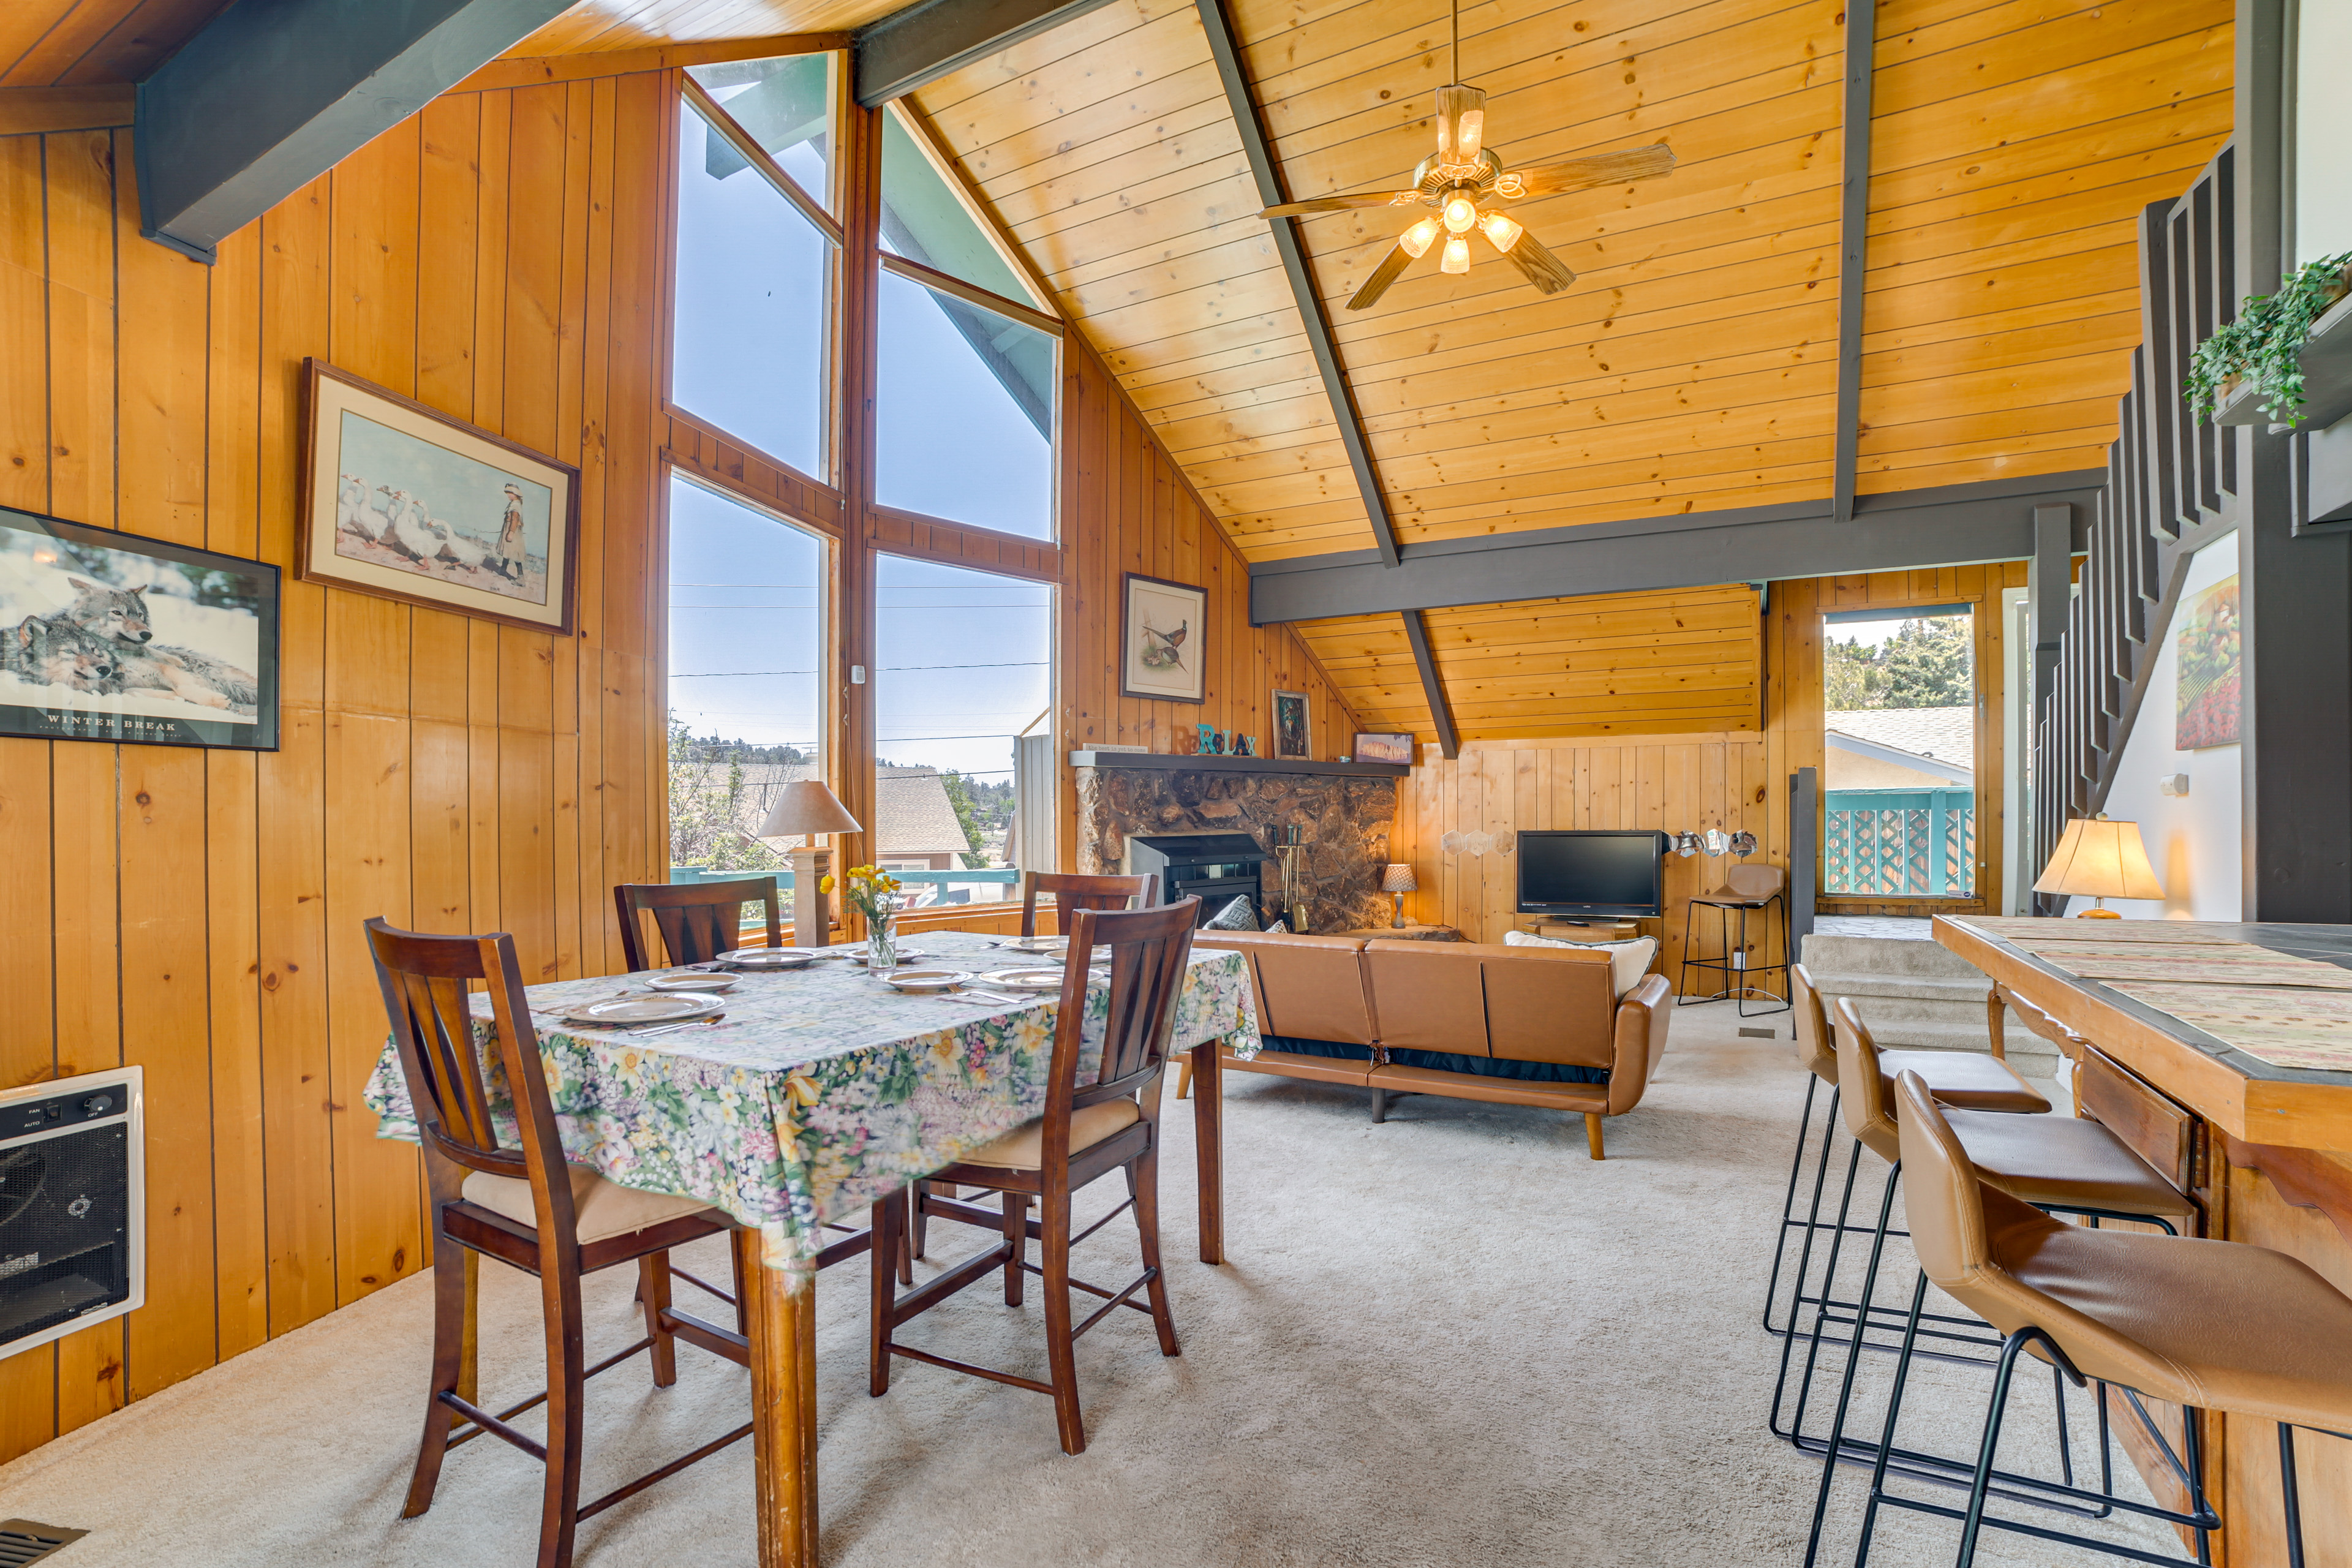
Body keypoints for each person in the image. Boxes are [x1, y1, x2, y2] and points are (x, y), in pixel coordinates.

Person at [494, 483, 529, 582]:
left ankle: (521, 579)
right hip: (509, 529)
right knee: (508, 551)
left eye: (510, 493)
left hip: (512, 530)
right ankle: (503, 570)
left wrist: (511, 533)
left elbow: (514, 520)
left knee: (515, 554)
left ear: (516, 494)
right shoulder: (514, 504)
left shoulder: (516, 505)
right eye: (508, 493)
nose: (508, 495)